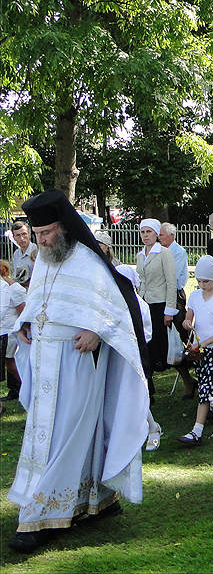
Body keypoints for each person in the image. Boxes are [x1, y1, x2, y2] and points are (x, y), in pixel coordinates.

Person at [8, 190, 148, 554]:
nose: (41, 241)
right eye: (37, 235)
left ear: (65, 228)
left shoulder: (87, 260)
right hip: (44, 360)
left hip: (76, 362)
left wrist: (96, 331)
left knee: (68, 432)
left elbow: (116, 307)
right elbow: (37, 301)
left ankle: (41, 515)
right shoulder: (45, 260)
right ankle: (97, 498)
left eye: (47, 233)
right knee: (52, 433)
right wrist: (25, 323)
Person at [179, 256, 213, 446]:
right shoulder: (194, 296)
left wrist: (206, 342)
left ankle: (196, 431)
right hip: (199, 349)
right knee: (209, 388)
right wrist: (187, 323)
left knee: (206, 390)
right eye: (199, 281)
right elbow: (189, 317)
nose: (202, 284)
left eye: (206, 281)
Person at [115, 264, 163, 453]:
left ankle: (152, 427)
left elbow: (147, 333)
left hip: (133, 352)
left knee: (135, 391)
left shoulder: (140, 305)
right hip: (118, 352)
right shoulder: (115, 303)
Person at [135, 219, 178, 398]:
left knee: (164, 344)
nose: (146, 235)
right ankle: (148, 386)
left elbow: (171, 282)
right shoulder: (140, 255)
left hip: (160, 304)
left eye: (149, 232)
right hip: (144, 304)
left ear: (155, 234)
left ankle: (185, 376)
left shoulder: (164, 253)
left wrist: (169, 309)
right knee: (146, 344)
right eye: (143, 232)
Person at [158, 222, 196, 398]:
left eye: (162, 235)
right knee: (164, 341)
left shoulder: (178, 252)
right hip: (160, 297)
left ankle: (190, 379)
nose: (159, 238)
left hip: (175, 299)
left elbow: (172, 277)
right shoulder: (158, 252)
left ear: (171, 236)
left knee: (179, 340)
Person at [0, 260, 26, 401]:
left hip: (11, 331)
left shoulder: (14, 288)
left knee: (11, 363)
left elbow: (22, 311)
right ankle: (17, 390)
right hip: (5, 330)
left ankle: (26, 386)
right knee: (8, 363)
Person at [10, 221, 37, 286]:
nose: (21, 238)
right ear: (14, 238)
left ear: (29, 234)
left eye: (24, 234)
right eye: (18, 235)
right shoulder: (16, 254)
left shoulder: (37, 252)